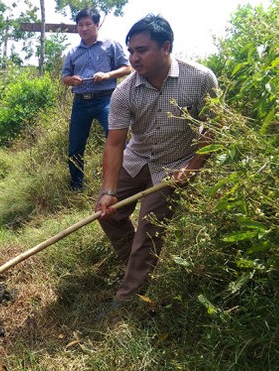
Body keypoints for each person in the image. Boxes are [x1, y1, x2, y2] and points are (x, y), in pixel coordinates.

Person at [95, 14, 218, 307]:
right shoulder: (124, 91)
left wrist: (192, 168)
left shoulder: (200, 78)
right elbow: (114, 143)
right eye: (130, 51)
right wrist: (109, 190)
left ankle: (126, 302)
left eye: (141, 50)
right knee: (107, 214)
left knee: (149, 227)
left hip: (174, 166)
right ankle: (136, 268)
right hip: (136, 159)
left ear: (166, 47)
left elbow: (215, 128)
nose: (134, 58)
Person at [61, 7, 131, 191]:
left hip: (106, 100)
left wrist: (107, 75)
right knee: (75, 145)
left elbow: (126, 68)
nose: (84, 28)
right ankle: (76, 186)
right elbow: (64, 78)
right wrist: (72, 80)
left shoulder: (111, 45)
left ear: (97, 25)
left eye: (88, 24)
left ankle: (122, 182)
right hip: (80, 102)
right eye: (80, 25)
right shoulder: (72, 52)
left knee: (116, 138)